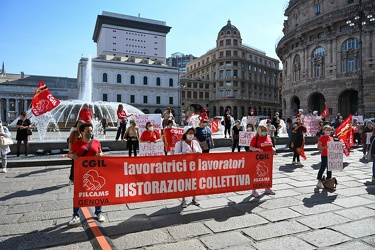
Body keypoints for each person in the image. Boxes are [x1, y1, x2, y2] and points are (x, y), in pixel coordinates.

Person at [67, 122, 105, 226]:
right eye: (88, 131)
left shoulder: (96, 142)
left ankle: (99, 212)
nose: (90, 132)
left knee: (97, 192)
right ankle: (76, 215)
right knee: (78, 193)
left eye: (91, 130)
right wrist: (71, 156)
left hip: (95, 172)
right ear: (82, 132)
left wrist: (101, 154)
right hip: (80, 173)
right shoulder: (77, 144)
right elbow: (69, 153)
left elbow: (101, 152)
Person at [174, 127, 202, 208]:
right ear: (185, 133)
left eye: (193, 133)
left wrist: (197, 153)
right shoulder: (179, 143)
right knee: (184, 183)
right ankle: (183, 200)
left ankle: (194, 198)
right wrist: (183, 154)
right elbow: (175, 155)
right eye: (189, 133)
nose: (191, 135)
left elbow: (200, 151)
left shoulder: (195, 142)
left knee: (194, 182)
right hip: (184, 167)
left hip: (194, 166)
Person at [249, 124, 276, 197]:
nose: (264, 131)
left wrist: (273, 149)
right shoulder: (256, 138)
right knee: (256, 174)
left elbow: (270, 145)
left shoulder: (268, 137)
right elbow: (251, 148)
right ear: (259, 131)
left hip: (267, 159)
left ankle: (267, 187)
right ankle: (254, 190)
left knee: (267, 173)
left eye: (265, 130)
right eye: (263, 130)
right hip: (258, 159)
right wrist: (257, 149)